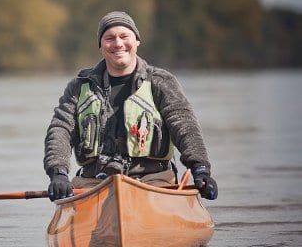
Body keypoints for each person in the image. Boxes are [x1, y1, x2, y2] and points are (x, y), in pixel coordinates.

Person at [43, 11, 218, 201]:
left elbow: (184, 126)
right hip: (92, 184)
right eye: (109, 38)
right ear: (101, 46)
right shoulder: (79, 87)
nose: (118, 43)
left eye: (124, 36)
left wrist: (200, 169)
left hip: (154, 182)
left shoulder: (161, 82)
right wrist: (58, 172)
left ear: (136, 41)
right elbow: (60, 129)